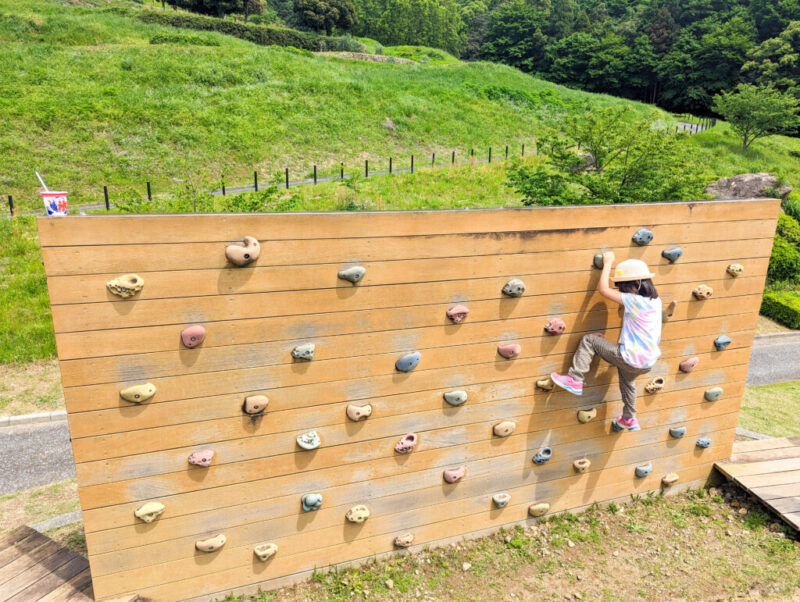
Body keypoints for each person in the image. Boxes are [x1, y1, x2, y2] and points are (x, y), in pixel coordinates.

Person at [550, 251, 662, 432]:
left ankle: (575, 378)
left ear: (636, 283)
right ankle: (629, 418)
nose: (621, 290)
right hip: (647, 362)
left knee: (589, 340)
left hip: (630, 358)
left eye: (623, 286)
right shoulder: (655, 302)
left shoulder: (635, 301)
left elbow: (603, 290)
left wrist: (608, 263)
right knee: (628, 382)